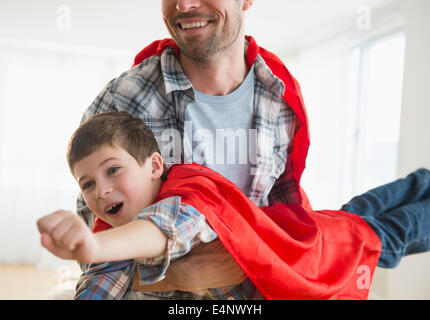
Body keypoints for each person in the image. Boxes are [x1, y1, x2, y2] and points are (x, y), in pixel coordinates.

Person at [74, 0, 430, 295]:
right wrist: (177, 276)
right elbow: (93, 241)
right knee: (374, 233)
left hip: (260, 275)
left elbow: (284, 202)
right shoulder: (123, 101)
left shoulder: (278, 92)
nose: (184, 5)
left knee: (354, 225)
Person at [37, 111, 430, 300]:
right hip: (313, 225)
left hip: (322, 251)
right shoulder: (113, 236)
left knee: (396, 229)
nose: (101, 191)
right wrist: (96, 253)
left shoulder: (190, 197)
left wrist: (92, 247)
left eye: (112, 171)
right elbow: (102, 282)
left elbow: (166, 229)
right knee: (361, 208)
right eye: (87, 184)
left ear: (155, 166)